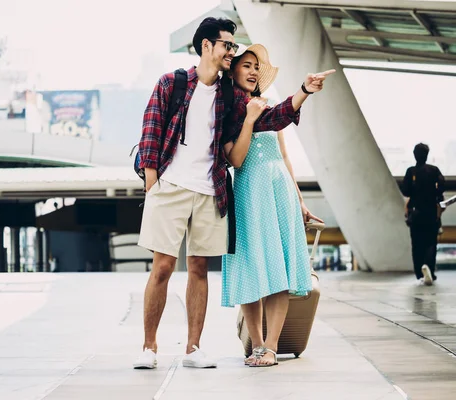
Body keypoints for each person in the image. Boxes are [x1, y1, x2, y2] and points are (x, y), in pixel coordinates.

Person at [133, 17, 334, 370]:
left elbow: (270, 119)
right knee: (162, 267)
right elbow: (150, 133)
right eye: (228, 44)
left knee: (198, 268)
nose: (231, 50)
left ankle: (193, 349)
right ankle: (149, 347)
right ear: (207, 46)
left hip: (210, 190)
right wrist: (153, 186)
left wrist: (303, 91)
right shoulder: (172, 83)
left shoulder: (230, 96)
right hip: (170, 187)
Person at [221, 43, 326, 367]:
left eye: (257, 67)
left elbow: (284, 155)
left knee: (278, 269)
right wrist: (250, 120)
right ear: (234, 70)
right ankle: (255, 345)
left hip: (279, 190)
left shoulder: (263, 107)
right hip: (249, 190)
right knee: (252, 266)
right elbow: (235, 159)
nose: (253, 71)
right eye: (247, 65)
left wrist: (299, 200)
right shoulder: (227, 110)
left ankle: (271, 346)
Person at [401, 143, 445, 286]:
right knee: (431, 242)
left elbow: (406, 191)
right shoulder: (434, 170)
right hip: (431, 212)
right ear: (427, 155)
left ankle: (420, 272)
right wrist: (436, 195)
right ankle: (429, 269)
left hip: (416, 213)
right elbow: (441, 185)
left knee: (417, 244)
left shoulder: (411, 171)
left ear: (415, 155)